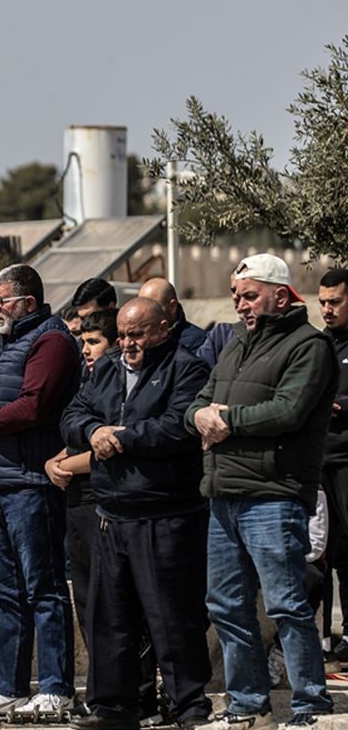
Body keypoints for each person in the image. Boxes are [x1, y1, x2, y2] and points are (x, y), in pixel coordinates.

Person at [186, 254, 337, 730]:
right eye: (236, 296)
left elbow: (288, 411)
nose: (241, 304)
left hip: (273, 495)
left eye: (249, 295)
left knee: (287, 604)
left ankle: (310, 705)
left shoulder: (309, 345)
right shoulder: (234, 344)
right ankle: (247, 704)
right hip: (223, 495)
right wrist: (199, 417)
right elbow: (197, 400)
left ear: (281, 294)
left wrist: (224, 420)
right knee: (226, 606)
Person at [62, 298, 212, 730]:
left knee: (171, 617)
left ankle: (189, 706)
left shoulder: (186, 367)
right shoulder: (106, 367)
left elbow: (177, 426)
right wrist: (95, 432)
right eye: (123, 335)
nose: (127, 343)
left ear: (163, 328)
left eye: (137, 334)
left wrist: (121, 438)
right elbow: (74, 415)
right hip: (112, 512)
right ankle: (114, 706)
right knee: (110, 618)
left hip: (163, 512)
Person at [0, 264, 80, 714]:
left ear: (28, 301)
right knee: (4, 591)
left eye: (1, 300)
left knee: (43, 588)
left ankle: (55, 687)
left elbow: (33, 406)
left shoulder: (52, 340)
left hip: (31, 483)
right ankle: (8, 685)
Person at [46, 306, 117, 657]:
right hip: (75, 500)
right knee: (85, 598)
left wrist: (67, 466)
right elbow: (76, 433)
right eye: (83, 341)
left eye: (94, 341)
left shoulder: (118, 381)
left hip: (99, 500)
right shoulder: (87, 381)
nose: (86, 349)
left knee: (107, 601)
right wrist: (54, 461)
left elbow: (111, 445)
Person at [316, 268, 348, 662]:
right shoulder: (318, 345)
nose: (326, 309)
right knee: (318, 552)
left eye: (335, 301)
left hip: (346, 462)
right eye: (322, 302)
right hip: (317, 463)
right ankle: (320, 636)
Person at [138, 277, 207, 354]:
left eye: (153, 308)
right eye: (140, 307)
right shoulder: (133, 339)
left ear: (172, 307)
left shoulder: (197, 342)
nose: (144, 314)